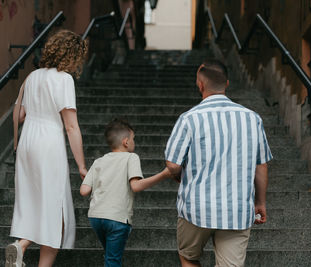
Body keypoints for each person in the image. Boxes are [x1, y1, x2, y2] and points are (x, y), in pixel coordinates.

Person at [165, 59, 272, 267]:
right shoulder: (252, 118)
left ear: (200, 85)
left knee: (188, 257)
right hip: (238, 209)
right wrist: (260, 202)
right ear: (227, 84)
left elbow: (172, 165)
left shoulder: (189, 118)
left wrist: (179, 174)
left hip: (196, 208)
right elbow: (261, 164)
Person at [5, 30, 89, 267]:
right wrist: (81, 165)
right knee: (55, 210)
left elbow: (18, 116)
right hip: (48, 142)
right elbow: (71, 127)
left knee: (35, 203)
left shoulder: (32, 77)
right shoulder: (64, 79)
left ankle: (20, 245)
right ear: (72, 56)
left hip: (27, 141)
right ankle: (21, 247)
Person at [80, 118, 173, 267]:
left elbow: (84, 191)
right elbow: (135, 186)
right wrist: (163, 174)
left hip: (96, 217)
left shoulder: (98, 161)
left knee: (110, 256)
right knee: (113, 260)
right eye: (133, 139)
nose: (134, 143)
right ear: (126, 142)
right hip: (117, 218)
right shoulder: (131, 157)